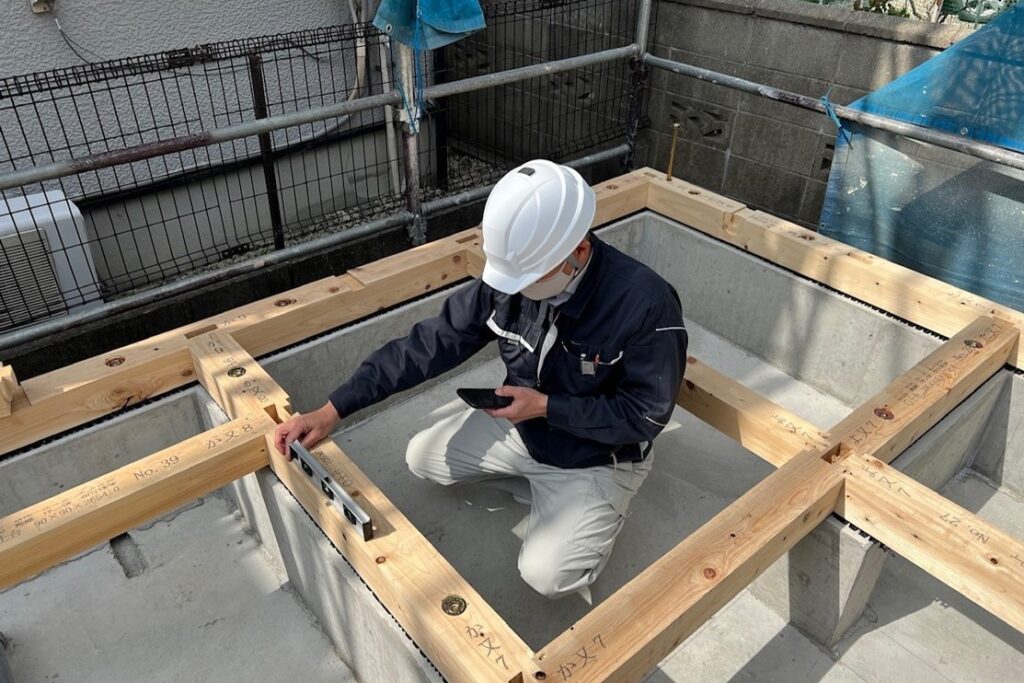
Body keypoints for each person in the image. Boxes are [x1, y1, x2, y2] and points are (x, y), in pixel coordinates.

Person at [274, 159, 688, 599]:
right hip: (525, 429)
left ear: (579, 252)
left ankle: (595, 514)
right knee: (422, 458)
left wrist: (548, 407)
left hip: (597, 456)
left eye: (529, 278)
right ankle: (538, 484)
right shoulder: (512, 278)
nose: (518, 289)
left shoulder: (645, 305)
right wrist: (333, 409)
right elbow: (429, 344)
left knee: (548, 576)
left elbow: (644, 415)